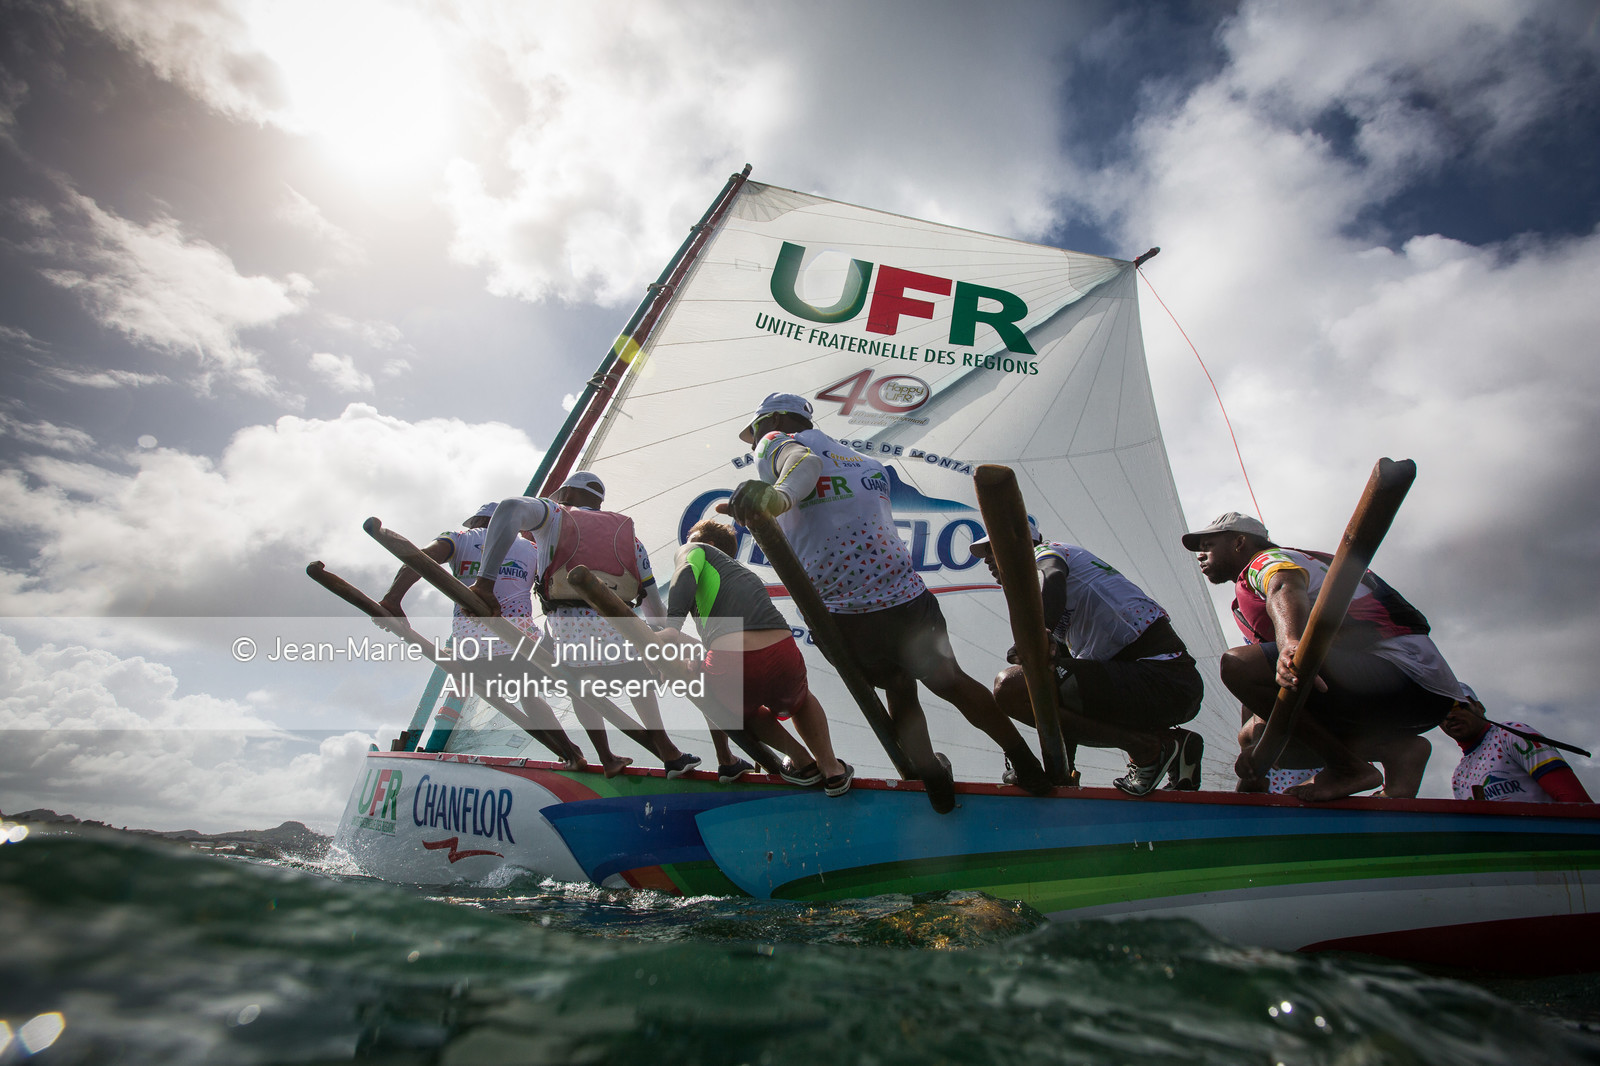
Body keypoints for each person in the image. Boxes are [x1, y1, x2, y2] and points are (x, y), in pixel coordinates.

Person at [721, 392, 1053, 813]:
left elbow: (803, 465)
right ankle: (1027, 766)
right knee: (949, 680)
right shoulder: (867, 464)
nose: (754, 444)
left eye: (754, 433)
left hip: (845, 614)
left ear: (774, 420)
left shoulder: (773, 440)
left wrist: (777, 497)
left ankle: (929, 770)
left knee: (897, 684)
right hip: (907, 599)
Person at [1184, 511, 1469, 802]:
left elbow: (1283, 586)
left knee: (1236, 664)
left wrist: (1290, 643)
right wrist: (1254, 760)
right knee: (1252, 735)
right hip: (1406, 698)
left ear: (1239, 542)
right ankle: (1398, 751)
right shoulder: (1245, 599)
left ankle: (1347, 768)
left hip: (1404, 675)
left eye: (1208, 545)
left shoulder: (1266, 561)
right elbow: (1256, 689)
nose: (1201, 556)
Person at [472, 472, 704, 777]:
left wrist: (485, 582)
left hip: (571, 630)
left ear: (566, 494)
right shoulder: (628, 536)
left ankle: (607, 757)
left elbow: (511, 506)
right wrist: (656, 649)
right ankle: (667, 750)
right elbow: (650, 601)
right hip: (621, 627)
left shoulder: (553, 514)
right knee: (640, 680)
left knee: (580, 685)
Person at [972, 518, 1205, 796]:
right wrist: (1063, 771)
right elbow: (1058, 697)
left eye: (992, 549)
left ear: (1020, 543)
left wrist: (1041, 630)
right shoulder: (1058, 612)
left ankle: (1148, 748)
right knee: (1039, 686)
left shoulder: (1046, 553)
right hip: (1160, 687)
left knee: (1011, 688)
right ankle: (1169, 742)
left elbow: (1053, 575)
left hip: (1164, 677)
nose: (987, 560)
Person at [377, 502, 594, 771]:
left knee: (518, 689)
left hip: (473, 653)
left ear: (478, 521)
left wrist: (392, 599)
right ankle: (572, 752)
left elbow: (420, 559)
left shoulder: (459, 539)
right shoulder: (531, 549)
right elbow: (557, 590)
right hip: (523, 647)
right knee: (531, 693)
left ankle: (570, 752)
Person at [656, 518, 852, 795]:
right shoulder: (743, 574)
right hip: (783, 652)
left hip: (732, 663)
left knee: (732, 710)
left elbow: (685, 570)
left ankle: (801, 760)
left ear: (708, 543)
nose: (685, 543)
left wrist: (672, 629)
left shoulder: (696, 550)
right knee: (800, 700)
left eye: (691, 538)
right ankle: (832, 769)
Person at [1442, 697, 1592, 803]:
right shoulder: (1459, 775)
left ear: (1479, 707)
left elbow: (1575, 800)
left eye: (1458, 705)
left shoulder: (1510, 734)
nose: (1449, 716)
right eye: (1440, 712)